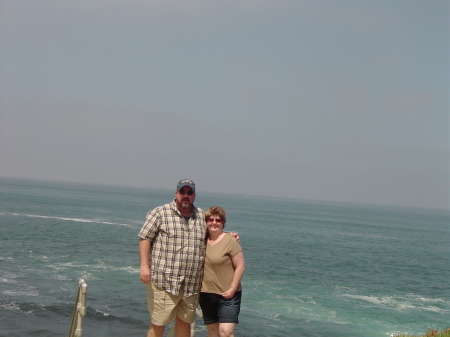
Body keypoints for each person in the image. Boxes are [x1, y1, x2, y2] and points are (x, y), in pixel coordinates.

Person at [138, 179, 239, 337]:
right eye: (182, 192)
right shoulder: (160, 213)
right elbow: (145, 238)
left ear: (194, 195)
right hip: (164, 282)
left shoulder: (200, 216)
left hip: (191, 286)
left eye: (189, 192)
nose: (185, 195)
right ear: (176, 193)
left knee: (184, 323)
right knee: (158, 323)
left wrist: (227, 235)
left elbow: (211, 233)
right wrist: (144, 266)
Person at [199, 206, 245, 337]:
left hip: (228, 295)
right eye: (211, 219)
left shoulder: (230, 240)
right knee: (213, 331)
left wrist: (232, 289)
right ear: (206, 222)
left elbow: (240, 266)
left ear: (223, 223)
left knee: (226, 332)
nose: (214, 223)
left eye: (218, 220)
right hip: (206, 294)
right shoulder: (201, 240)